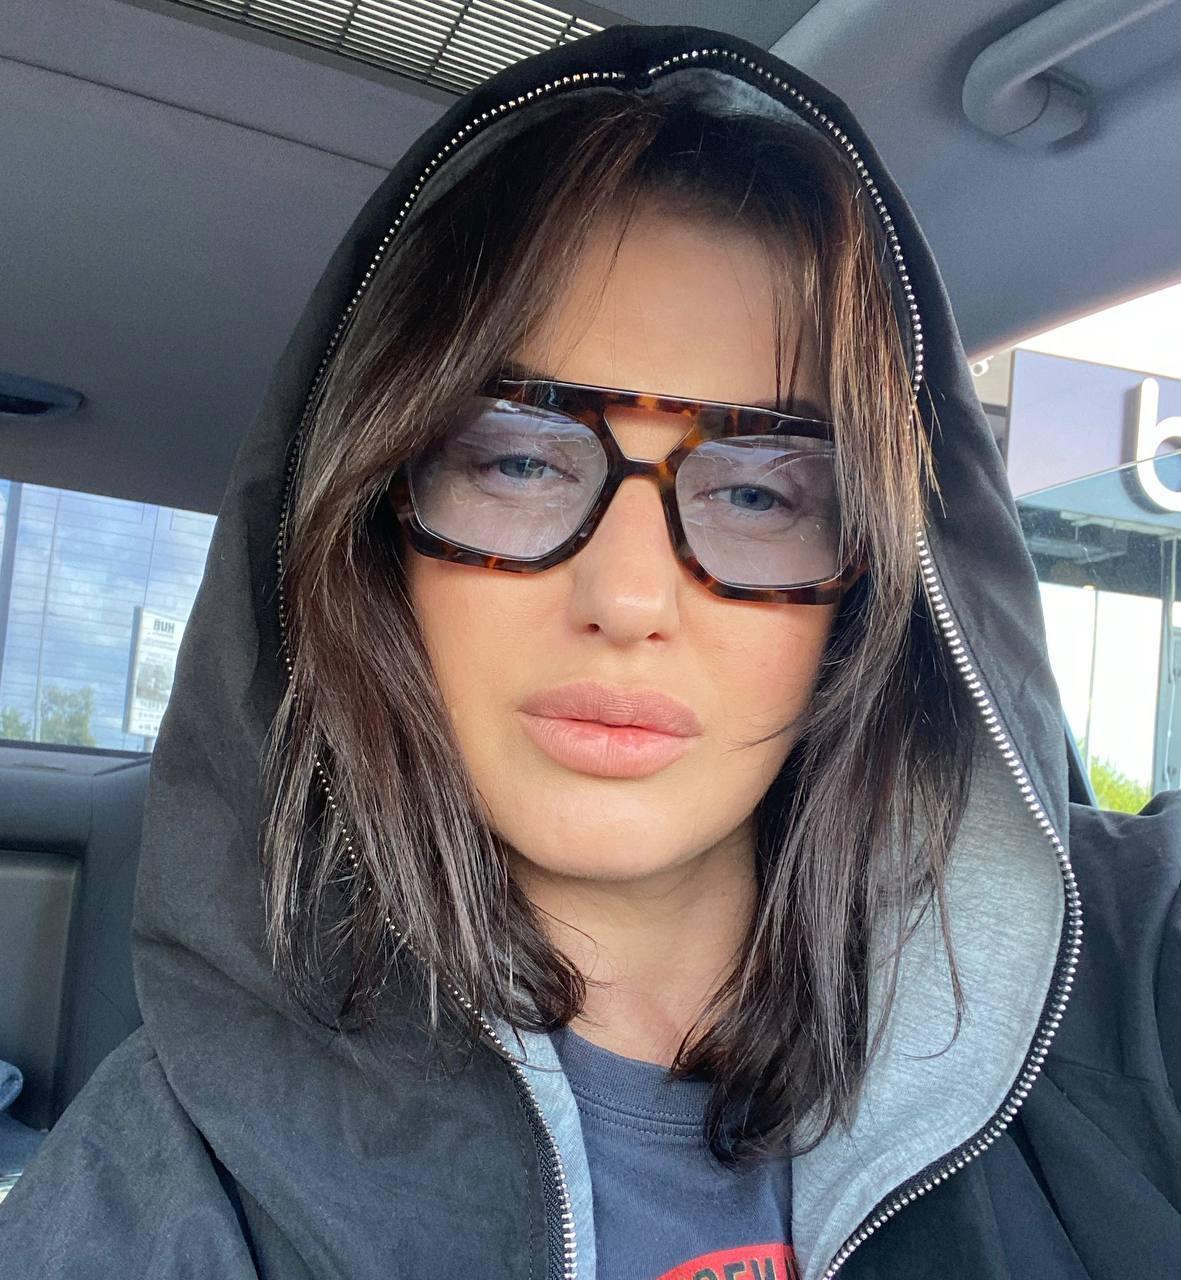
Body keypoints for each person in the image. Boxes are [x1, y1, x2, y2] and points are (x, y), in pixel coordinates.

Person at [1, 21, 1179, 1280]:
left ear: (868, 586)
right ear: (380, 535)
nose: (626, 596)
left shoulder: (1118, 990)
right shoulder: (157, 1190)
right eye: (517, 460)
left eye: (758, 490)